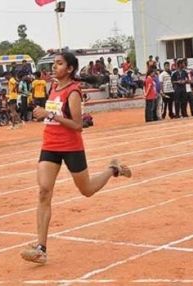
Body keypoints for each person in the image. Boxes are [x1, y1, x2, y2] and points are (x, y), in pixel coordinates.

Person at [21, 52, 132, 265]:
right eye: (54, 64)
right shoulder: (53, 87)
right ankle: (41, 247)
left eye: (59, 64)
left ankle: (112, 169)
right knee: (44, 191)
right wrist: (42, 114)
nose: (54, 67)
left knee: (87, 190)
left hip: (71, 146)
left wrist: (49, 115)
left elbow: (77, 125)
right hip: (50, 145)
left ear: (70, 69)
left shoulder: (73, 92)